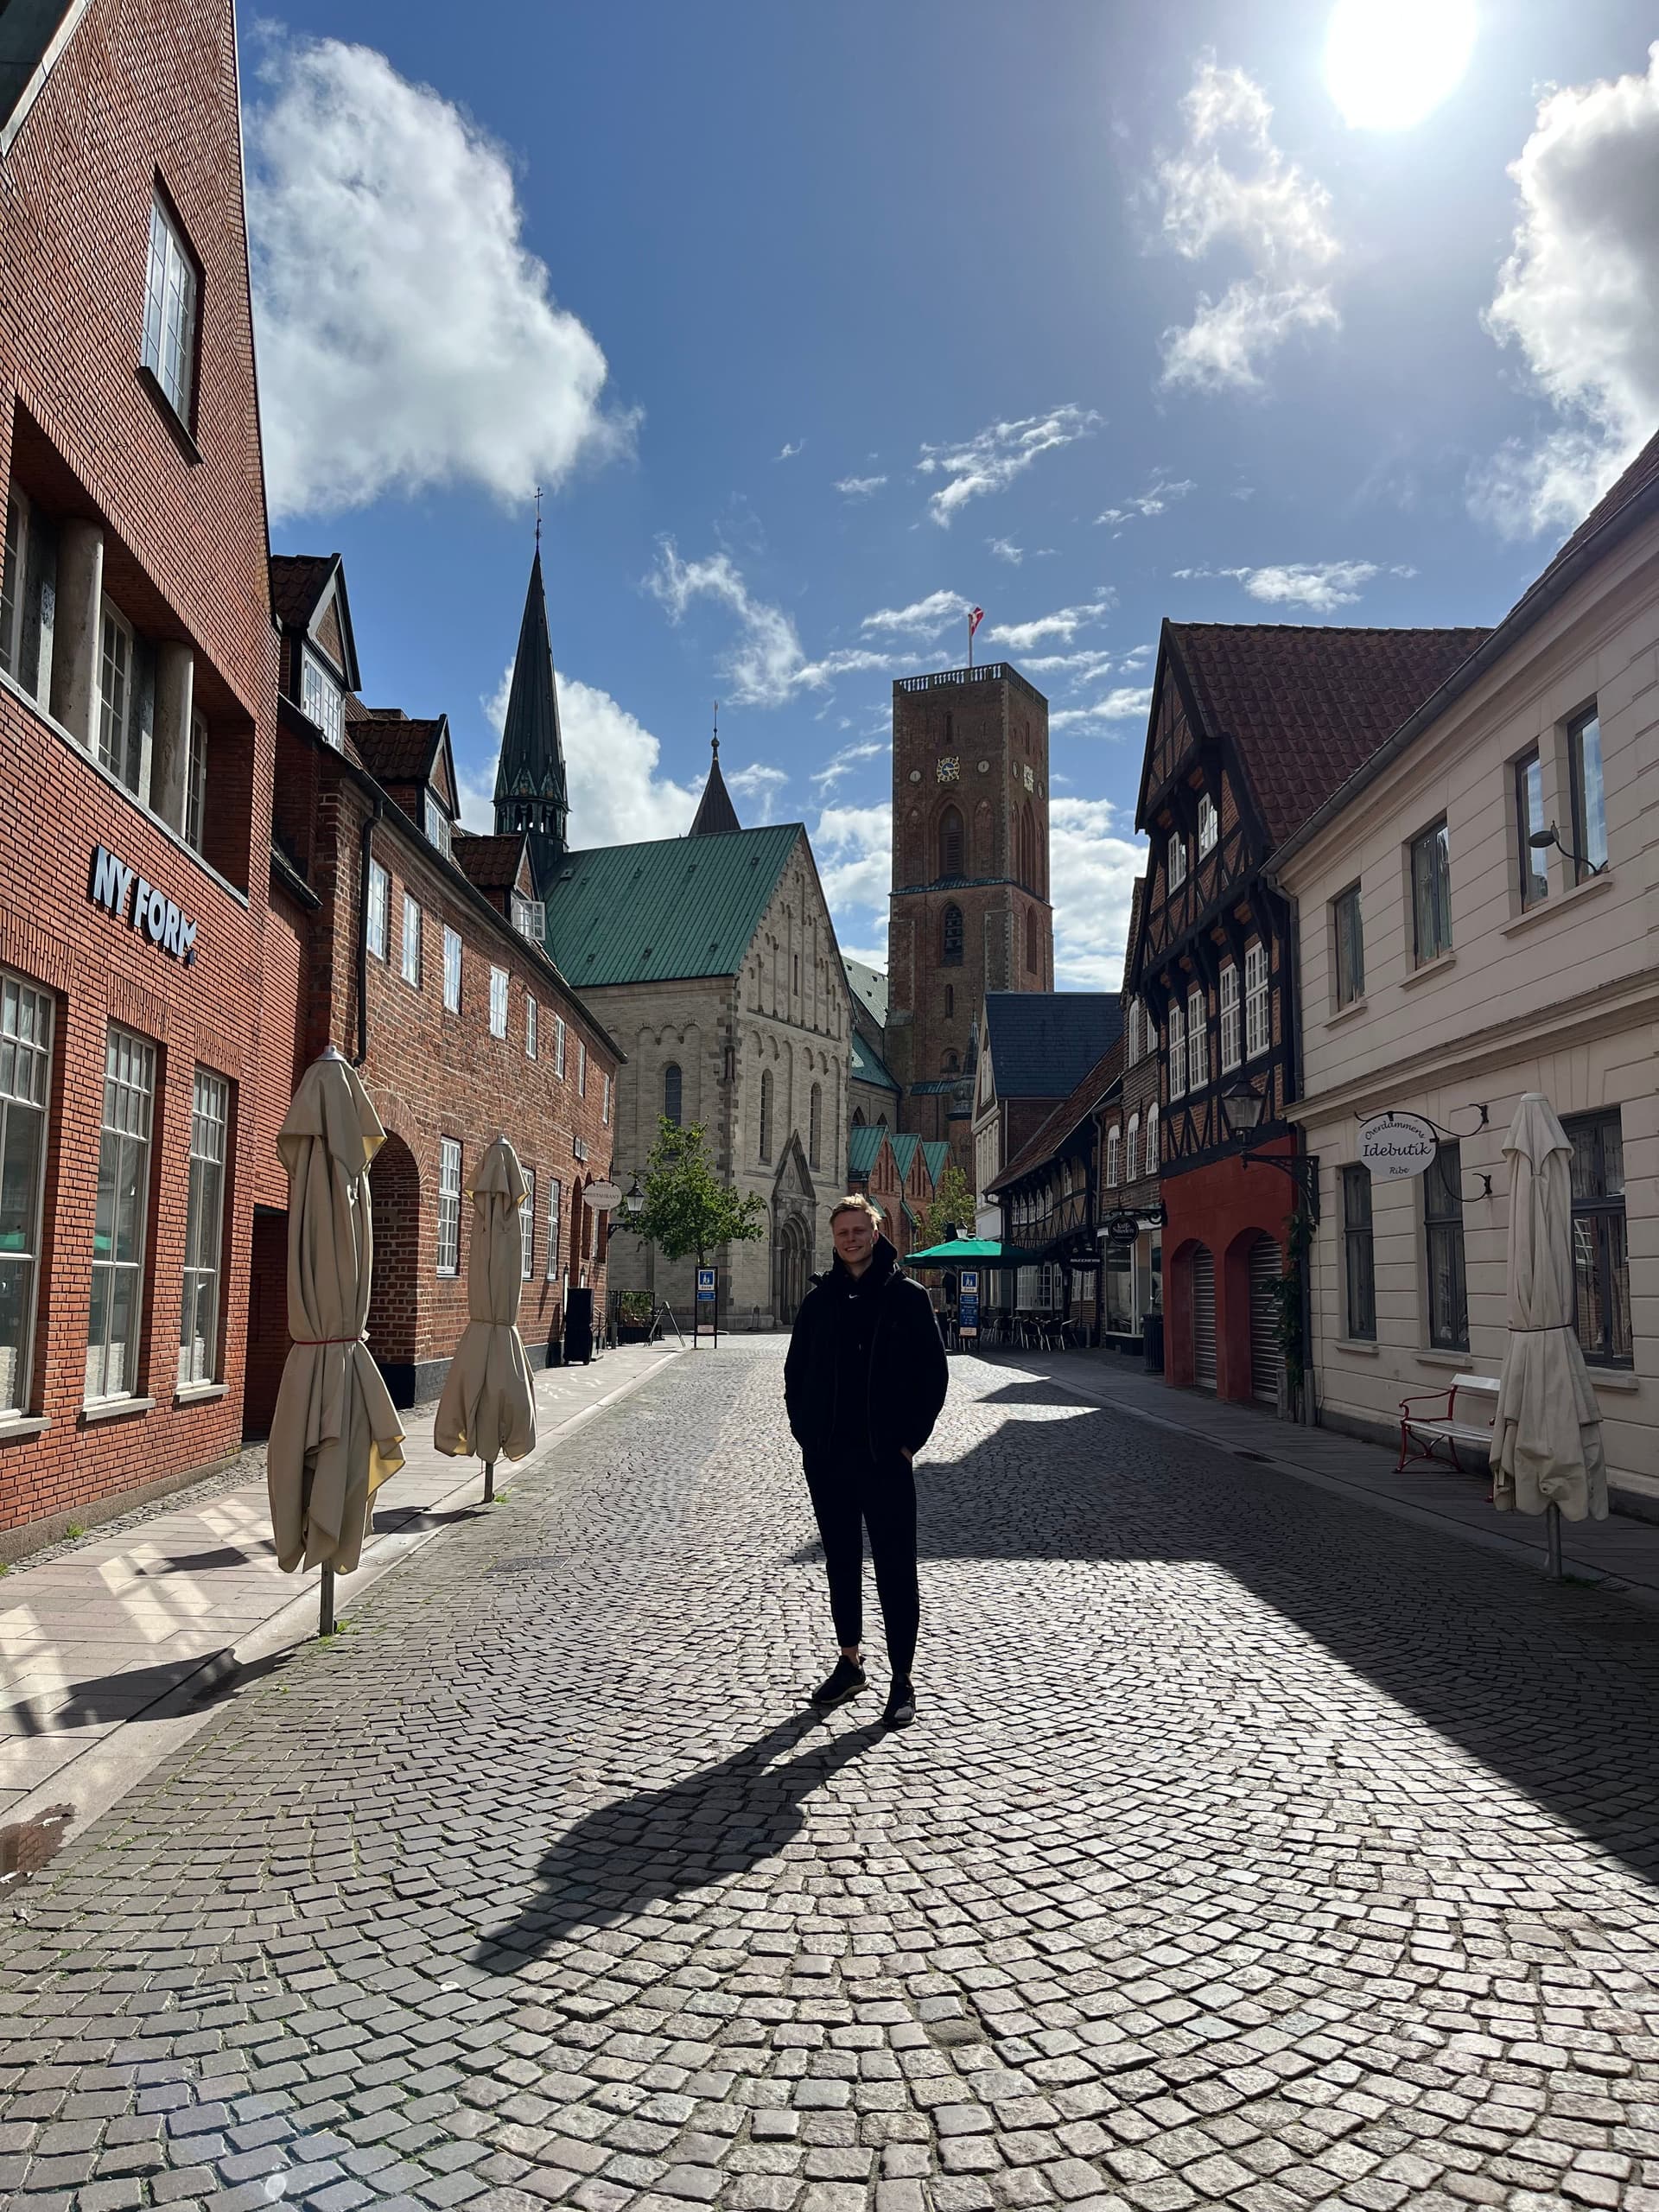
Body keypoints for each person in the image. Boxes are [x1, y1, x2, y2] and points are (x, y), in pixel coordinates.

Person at [784, 1193, 948, 1729]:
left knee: (896, 1569)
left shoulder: (908, 1297)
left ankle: (902, 1679)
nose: (850, 1239)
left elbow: (933, 1377)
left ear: (876, 1234)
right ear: (834, 1239)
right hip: (829, 1458)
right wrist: (807, 1434)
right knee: (841, 1564)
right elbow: (795, 1373)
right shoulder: (820, 1300)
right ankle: (849, 1662)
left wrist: (909, 1443)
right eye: (842, 1233)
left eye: (859, 1230)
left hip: (886, 1458)